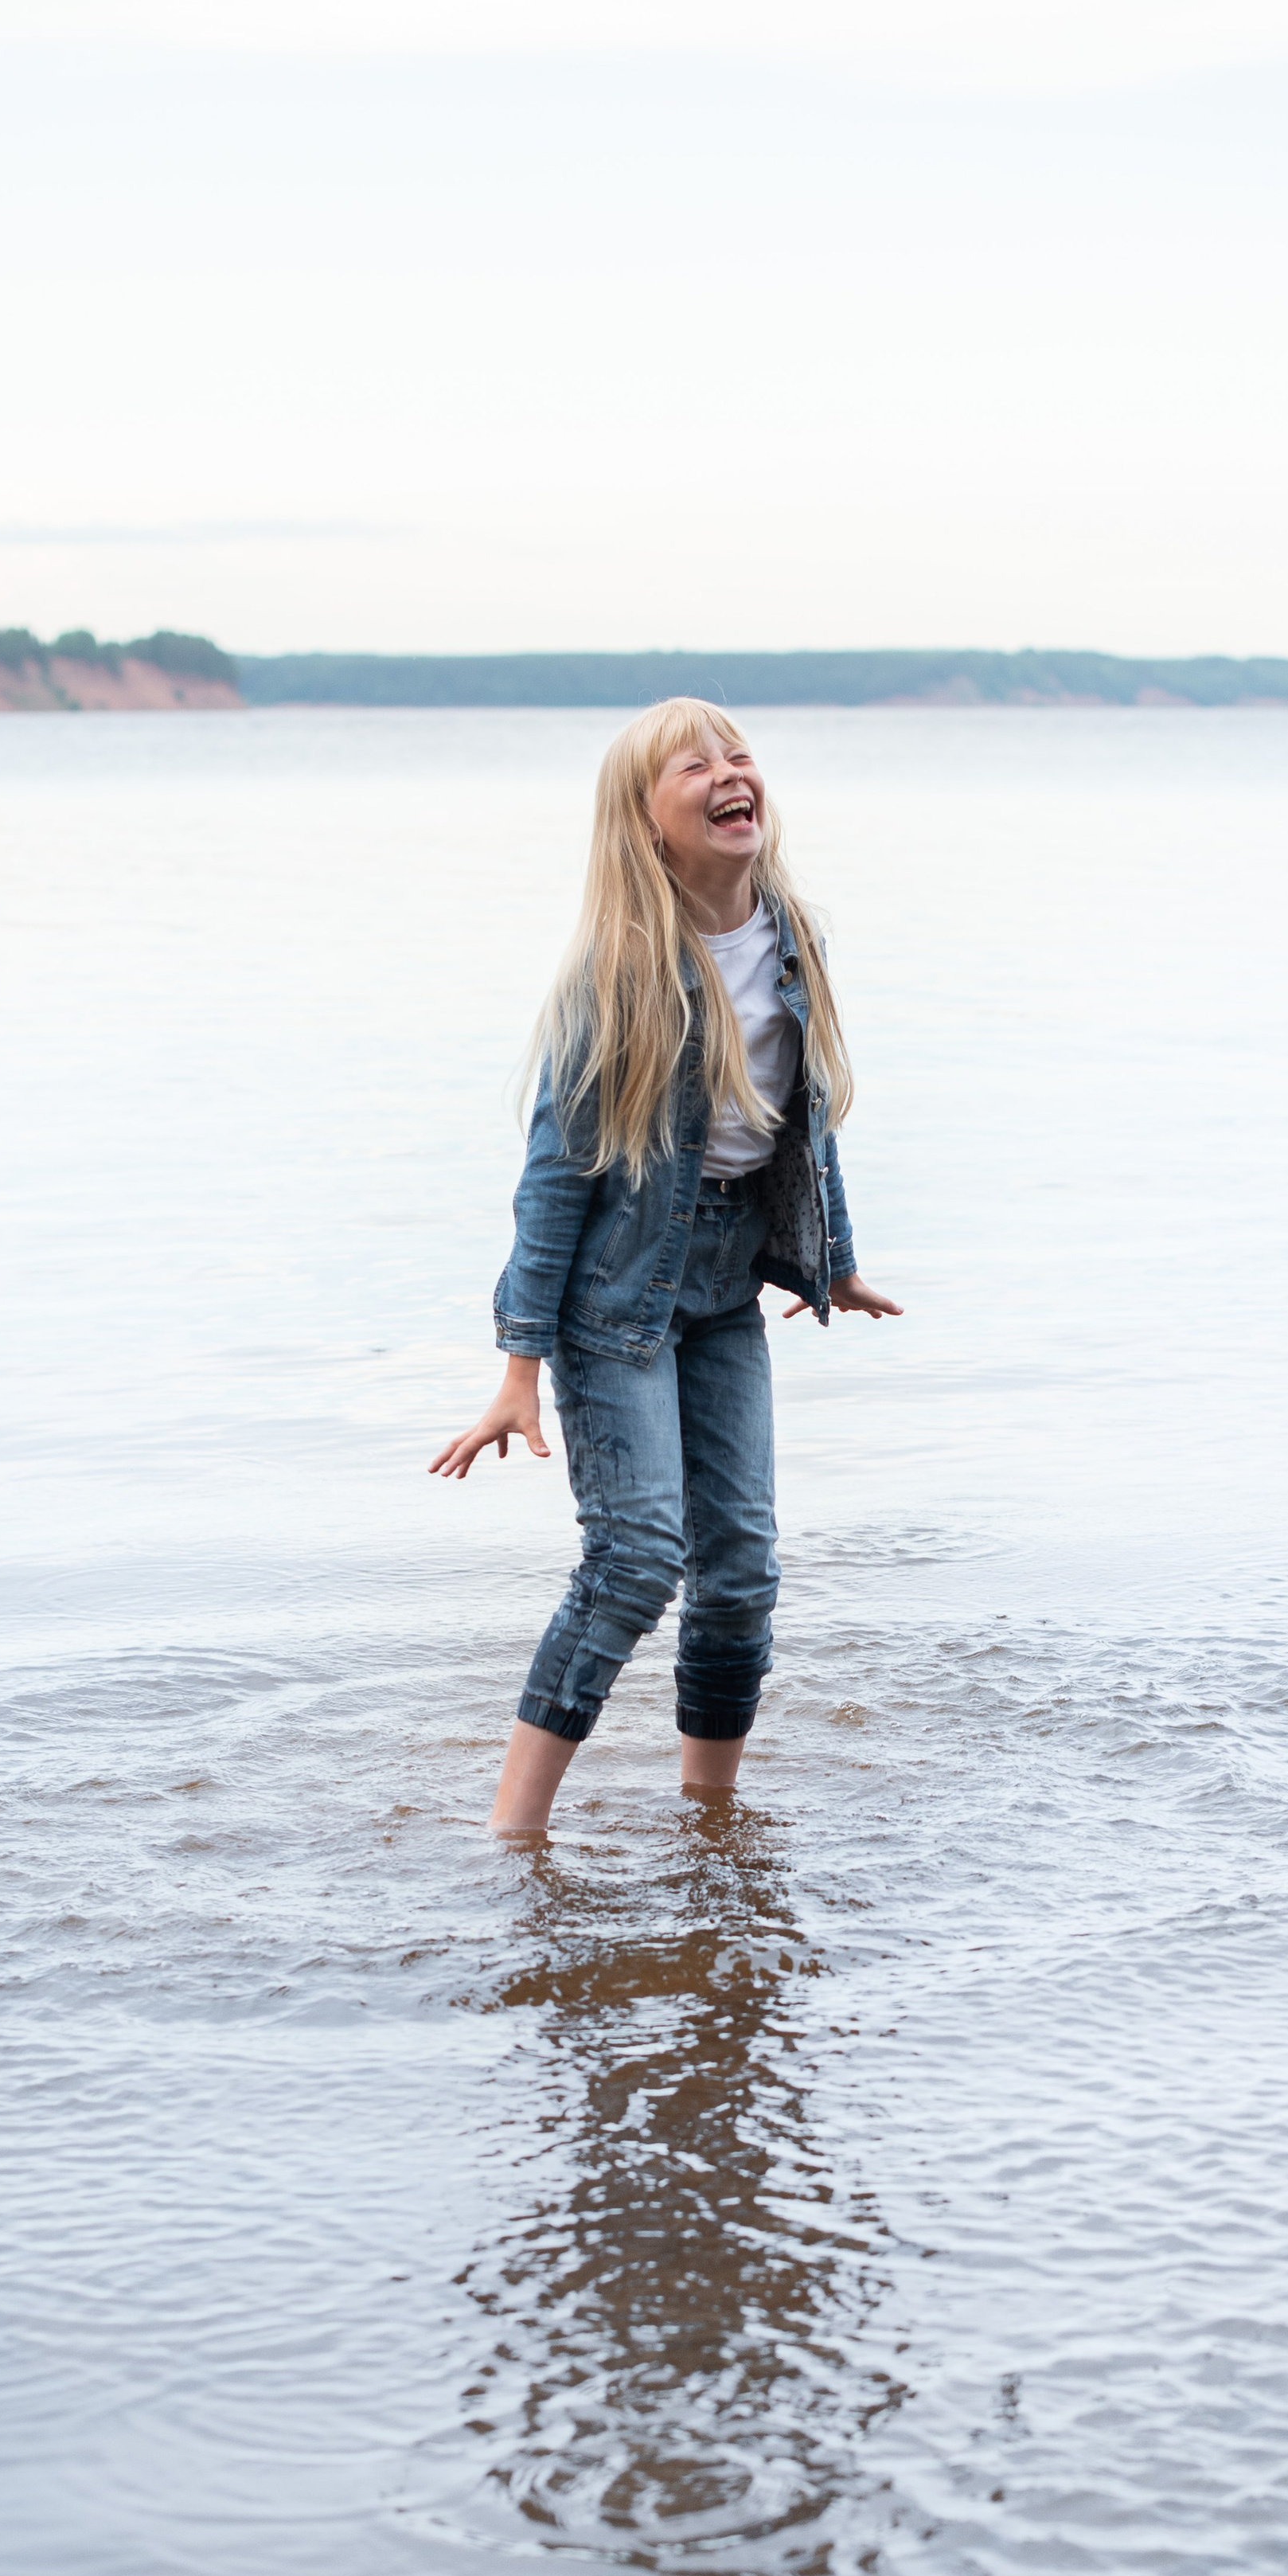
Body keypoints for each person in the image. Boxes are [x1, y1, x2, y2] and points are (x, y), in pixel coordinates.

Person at [431, 699, 902, 1834]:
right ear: (647, 822)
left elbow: (809, 1119)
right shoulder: (621, 973)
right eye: (695, 766)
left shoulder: (793, 937)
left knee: (741, 1570)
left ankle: (711, 1821)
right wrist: (519, 1367)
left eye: (738, 755)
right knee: (637, 1558)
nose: (729, 773)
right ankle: (513, 1832)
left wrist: (832, 1260)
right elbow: (554, 1181)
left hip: (728, 1289)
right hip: (613, 1299)